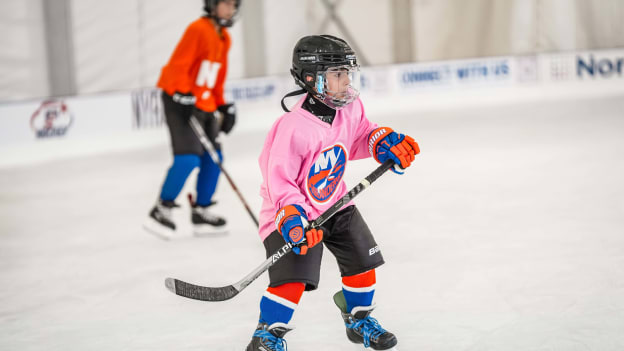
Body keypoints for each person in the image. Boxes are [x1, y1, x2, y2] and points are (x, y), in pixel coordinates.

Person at [245, 35, 420, 350]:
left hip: (335, 204)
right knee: (292, 280)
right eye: (337, 74)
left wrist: (381, 142)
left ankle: (358, 319)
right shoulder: (292, 128)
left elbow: (359, 135)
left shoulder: (349, 108)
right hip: (292, 215)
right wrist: (292, 217)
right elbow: (278, 180)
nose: (345, 82)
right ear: (312, 79)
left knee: (362, 264)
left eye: (347, 73)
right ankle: (267, 333)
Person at [143, 0, 241, 239]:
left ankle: (201, 210)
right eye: (226, 4)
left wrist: (221, 104)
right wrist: (181, 93)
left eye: (234, 5)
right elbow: (178, 66)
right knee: (187, 159)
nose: (231, 9)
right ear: (212, 4)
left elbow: (215, 78)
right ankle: (161, 208)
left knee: (214, 157)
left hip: (204, 104)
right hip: (180, 101)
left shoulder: (224, 38)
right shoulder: (198, 29)